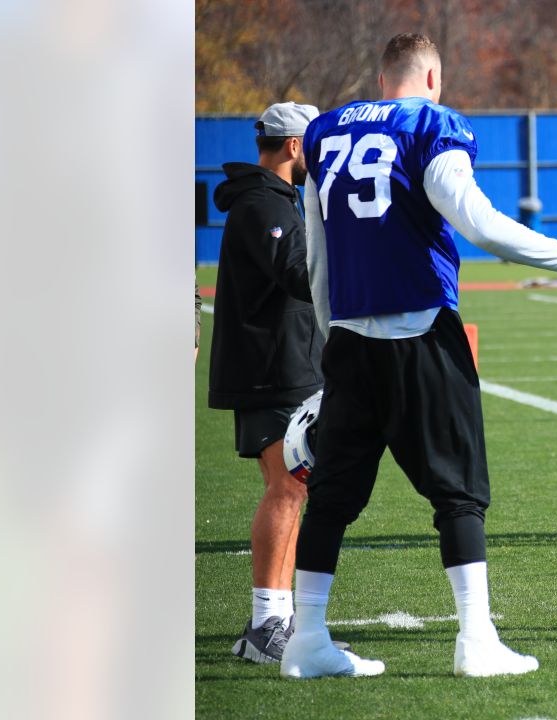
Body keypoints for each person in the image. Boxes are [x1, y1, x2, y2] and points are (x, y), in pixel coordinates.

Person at [282, 33, 557, 679]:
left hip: (351, 339)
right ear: (433, 76)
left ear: (382, 74)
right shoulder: (433, 124)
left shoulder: (326, 130)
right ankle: (476, 640)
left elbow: (317, 254)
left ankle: (306, 640)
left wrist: (334, 346)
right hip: (420, 331)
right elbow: (478, 223)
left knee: (332, 495)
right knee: (460, 493)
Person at [207, 102, 325, 663]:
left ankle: (276, 618)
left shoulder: (274, 199)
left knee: (293, 487)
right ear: (296, 147)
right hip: (270, 369)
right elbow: (299, 275)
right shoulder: (262, 203)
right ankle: (265, 626)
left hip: (282, 364)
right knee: (288, 487)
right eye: (316, 143)